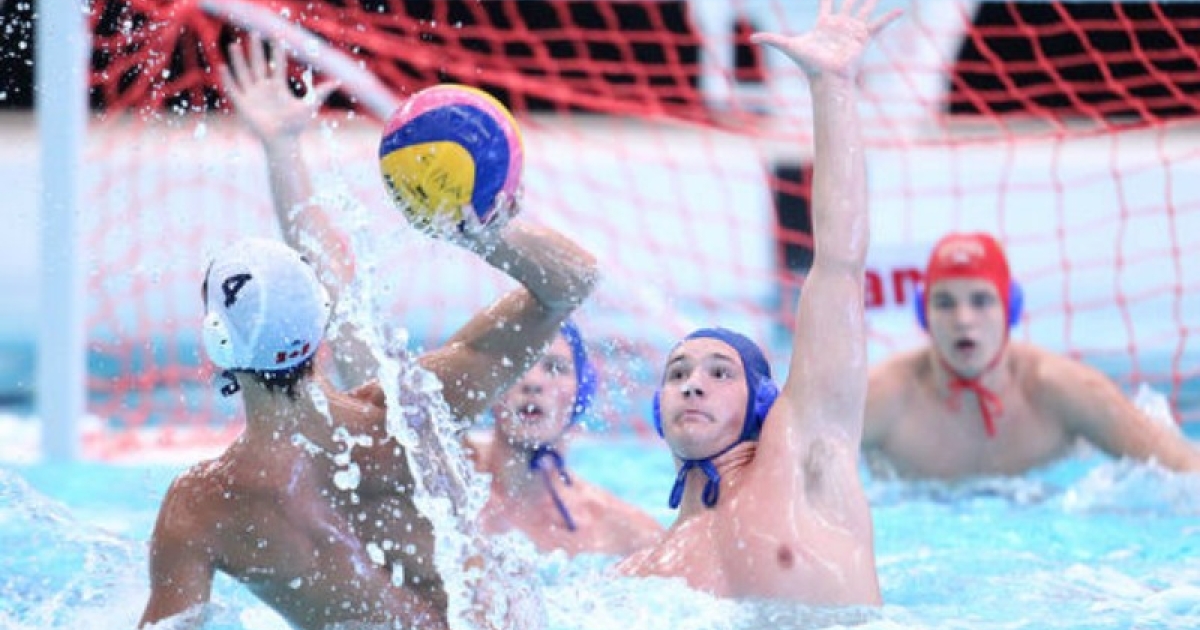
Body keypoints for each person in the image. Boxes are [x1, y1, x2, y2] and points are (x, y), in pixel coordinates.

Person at [137, 34, 600, 630]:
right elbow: (573, 282)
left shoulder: (200, 509)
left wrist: (281, 149)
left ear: (216, 344)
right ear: (321, 325)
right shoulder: (409, 416)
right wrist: (487, 235)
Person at [616, 0, 899, 606]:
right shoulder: (638, 575)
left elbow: (840, 264)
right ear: (658, 408)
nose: (693, 385)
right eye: (677, 375)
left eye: (720, 374)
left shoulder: (802, 459)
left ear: (762, 403)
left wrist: (832, 87)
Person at [862, 231, 1200, 479]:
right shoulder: (883, 397)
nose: (963, 320)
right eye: (945, 303)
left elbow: (1183, 466)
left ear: (1010, 308)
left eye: (981, 301)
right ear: (923, 313)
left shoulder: (1062, 389)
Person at [471, 319, 664, 556]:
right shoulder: (444, 478)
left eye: (555, 368)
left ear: (581, 391)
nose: (533, 382)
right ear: (489, 386)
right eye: (517, 363)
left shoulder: (624, 535)